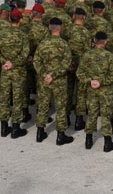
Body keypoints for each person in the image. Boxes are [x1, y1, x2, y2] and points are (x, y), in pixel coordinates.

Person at [34, 17, 74, 145]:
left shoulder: (43, 43)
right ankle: (60, 135)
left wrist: (45, 74)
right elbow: (66, 63)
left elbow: (36, 61)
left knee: (43, 105)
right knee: (61, 107)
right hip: (59, 81)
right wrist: (54, 75)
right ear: (60, 28)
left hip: (44, 80)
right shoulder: (63, 44)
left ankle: (40, 132)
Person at [0, 9, 30, 138]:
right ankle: (15, 128)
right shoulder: (23, 36)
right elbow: (25, 55)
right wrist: (14, 63)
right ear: (20, 20)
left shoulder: (1, 34)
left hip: (5, 71)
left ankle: (3, 127)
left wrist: (5, 62)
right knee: (17, 99)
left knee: (4, 98)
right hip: (18, 72)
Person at [78, 31, 113, 152]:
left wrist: (90, 81)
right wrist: (101, 82)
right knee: (106, 115)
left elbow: (79, 73)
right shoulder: (109, 56)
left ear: (94, 41)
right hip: (106, 90)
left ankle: (88, 140)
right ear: (106, 42)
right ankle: (107, 143)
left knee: (92, 114)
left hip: (91, 89)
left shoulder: (86, 55)